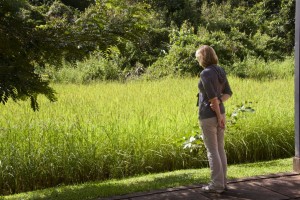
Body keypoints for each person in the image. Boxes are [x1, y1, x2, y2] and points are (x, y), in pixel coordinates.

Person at [195, 45, 233, 193]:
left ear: (203, 57)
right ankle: (223, 182)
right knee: (220, 148)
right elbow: (228, 93)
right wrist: (220, 104)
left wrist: (217, 113)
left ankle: (216, 185)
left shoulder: (205, 73)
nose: (198, 59)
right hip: (220, 113)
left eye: (198, 57)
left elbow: (211, 98)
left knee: (212, 150)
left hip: (209, 116)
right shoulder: (220, 70)